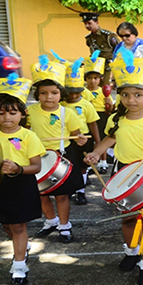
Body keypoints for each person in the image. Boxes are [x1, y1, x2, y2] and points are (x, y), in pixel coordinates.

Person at [85, 48, 143, 285]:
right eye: (125, 94)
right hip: (123, 172)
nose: (131, 100)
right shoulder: (116, 119)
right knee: (127, 219)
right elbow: (109, 140)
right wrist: (95, 152)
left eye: (137, 94)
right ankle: (131, 251)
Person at [0, 74, 46, 285]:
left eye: (12, 113)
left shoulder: (29, 136)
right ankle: (21, 246)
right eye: (0, 113)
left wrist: (18, 168)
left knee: (19, 225)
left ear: (22, 114)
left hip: (21, 184)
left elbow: (36, 166)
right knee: (6, 223)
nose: (7, 117)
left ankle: (19, 265)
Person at [28, 56, 87, 243]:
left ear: (61, 94)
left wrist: (81, 139)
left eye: (54, 92)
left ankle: (64, 225)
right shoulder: (29, 112)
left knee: (61, 196)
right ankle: (51, 221)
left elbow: (77, 135)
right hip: (36, 158)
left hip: (63, 156)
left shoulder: (67, 113)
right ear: (37, 95)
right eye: (44, 93)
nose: (49, 97)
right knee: (41, 194)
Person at [61, 58, 101, 205]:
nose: (73, 96)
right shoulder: (60, 105)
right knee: (71, 165)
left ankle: (81, 191)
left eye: (77, 93)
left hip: (84, 138)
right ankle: (71, 188)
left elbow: (93, 123)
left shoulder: (86, 105)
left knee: (83, 166)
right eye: (70, 92)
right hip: (66, 139)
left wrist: (97, 142)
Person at [83, 51, 113, 174]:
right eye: (89, 78)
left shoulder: (103, 91)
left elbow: (110, 109)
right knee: (91, 140)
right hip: (88, 117)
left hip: (101, 116)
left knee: (101, 139)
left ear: (100, 79)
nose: (92, 81)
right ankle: (91, 162)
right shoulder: (83, 92)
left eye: (95, 78)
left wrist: (109, 105)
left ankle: (103, 162)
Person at [80, 12, 119, 86]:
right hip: (95, 68)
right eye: (85, 23)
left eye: (89, 23)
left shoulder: (107, 36)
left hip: (107, 68)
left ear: (96, 22)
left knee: (104, 89)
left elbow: (119, 50)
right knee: (94, 88)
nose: (87, 26)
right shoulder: (89, 38)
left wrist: (114, 73)